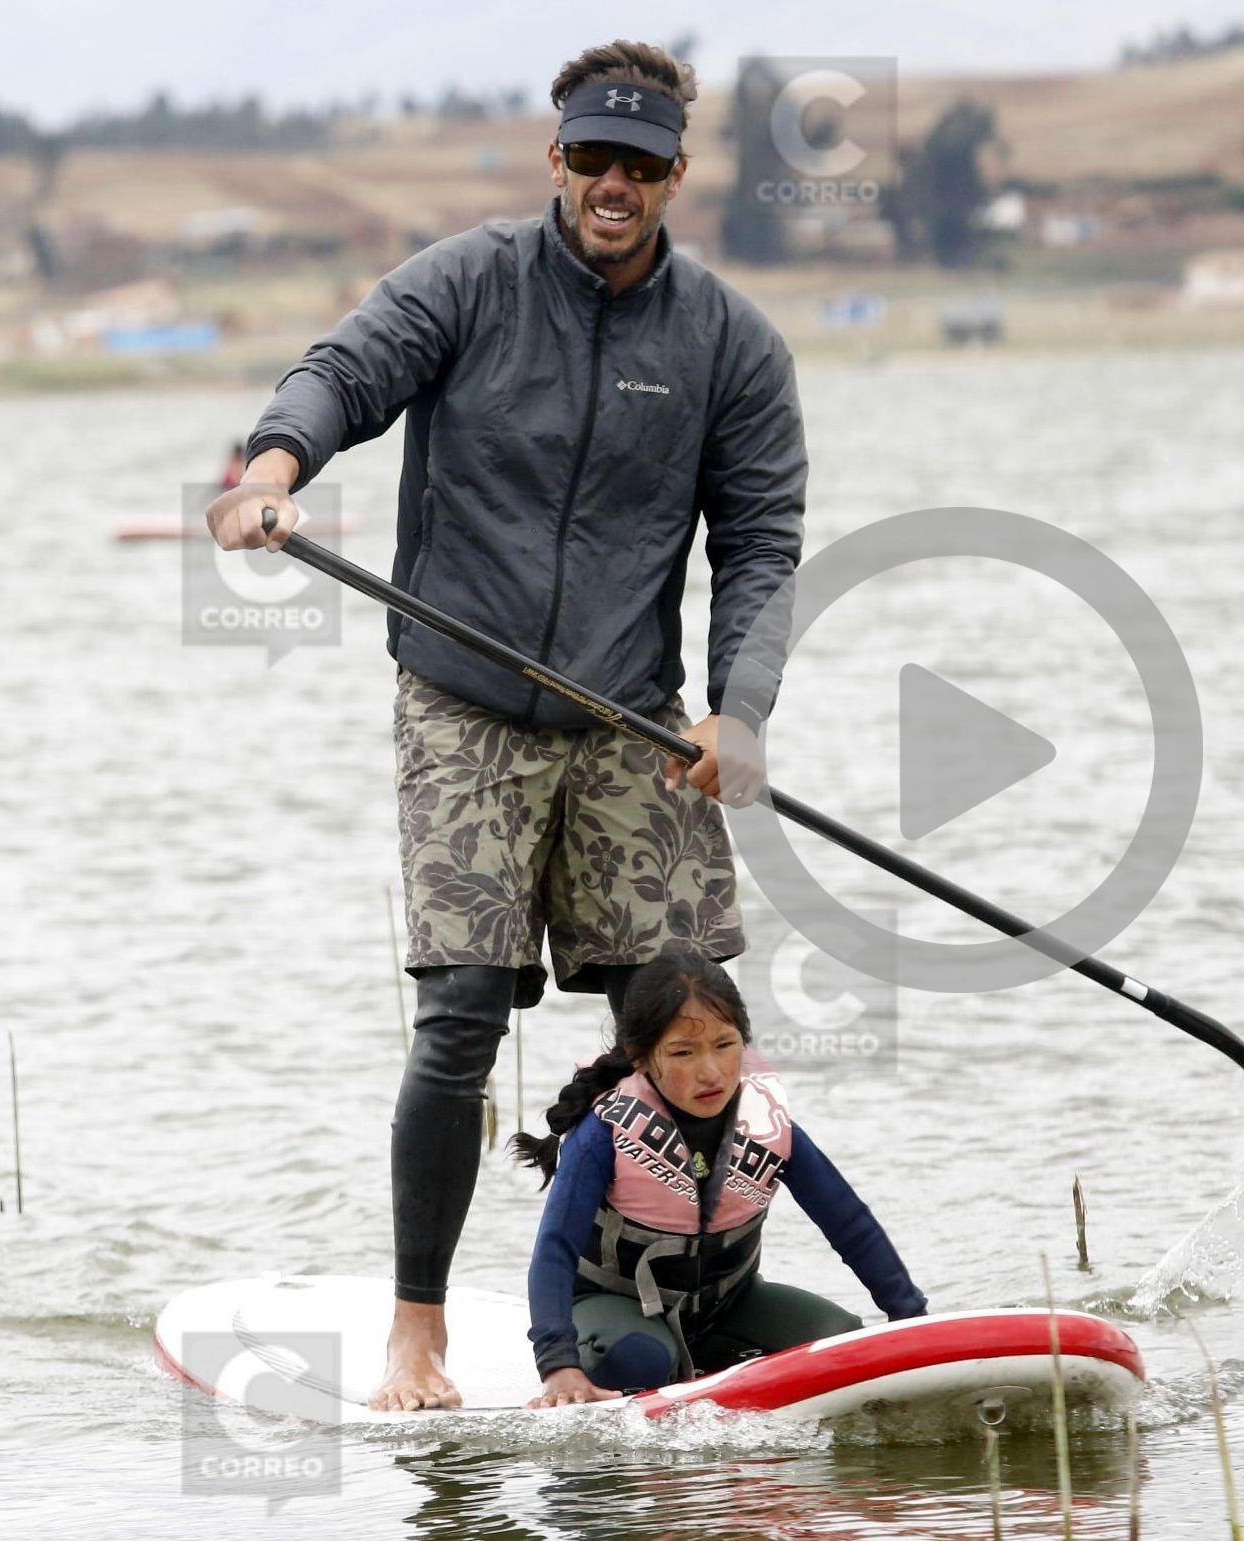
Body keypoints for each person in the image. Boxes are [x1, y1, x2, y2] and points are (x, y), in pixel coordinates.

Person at [198, 39, 805, 1410]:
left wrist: (738, 712)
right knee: (461, 1013)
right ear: (556, 159)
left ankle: (669, 1295)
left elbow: (761, 541)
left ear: (675, 178)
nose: (614, 182)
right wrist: (274, 467)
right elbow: (338, 374)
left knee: (689, 1017)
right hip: (465, 705)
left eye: (642, 165)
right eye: (593, 156)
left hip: (626, 714)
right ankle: (420, 1324)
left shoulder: (728, 344)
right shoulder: (467, 283)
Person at [514, 954, 926, 1405]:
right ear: (641, 1057)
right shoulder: (603, 1133)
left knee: (842, 1344)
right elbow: (555, 1250)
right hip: (615, 1309)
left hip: (728, 1307)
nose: (711, 1072)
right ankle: (656, 1361)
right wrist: (559, 1366)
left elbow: (848, 1223)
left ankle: (708, 1357)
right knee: (638, 1359)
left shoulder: (766, 1126)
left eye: (725, 1045)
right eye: (683, 1052)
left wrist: (910, 1317)